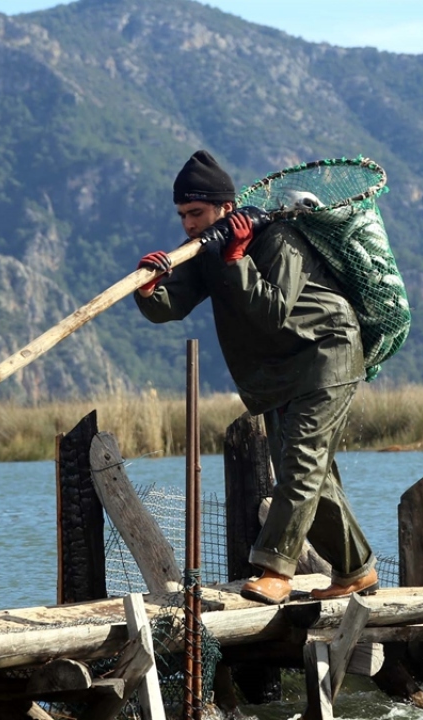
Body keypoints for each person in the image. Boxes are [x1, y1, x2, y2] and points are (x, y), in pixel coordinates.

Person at [134, 150, 377, 605]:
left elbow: (272, 311)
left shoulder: (278, 238)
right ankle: (355, 571)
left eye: (196, 213)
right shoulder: (206, 250)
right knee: (310, 474)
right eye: (183, 215)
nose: (188, 224)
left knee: (301, 464)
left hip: (327, 353)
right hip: (278, 372)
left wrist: (237, 256)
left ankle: (275, 571)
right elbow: (172, 304)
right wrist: (149, 289)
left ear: (224, 208)